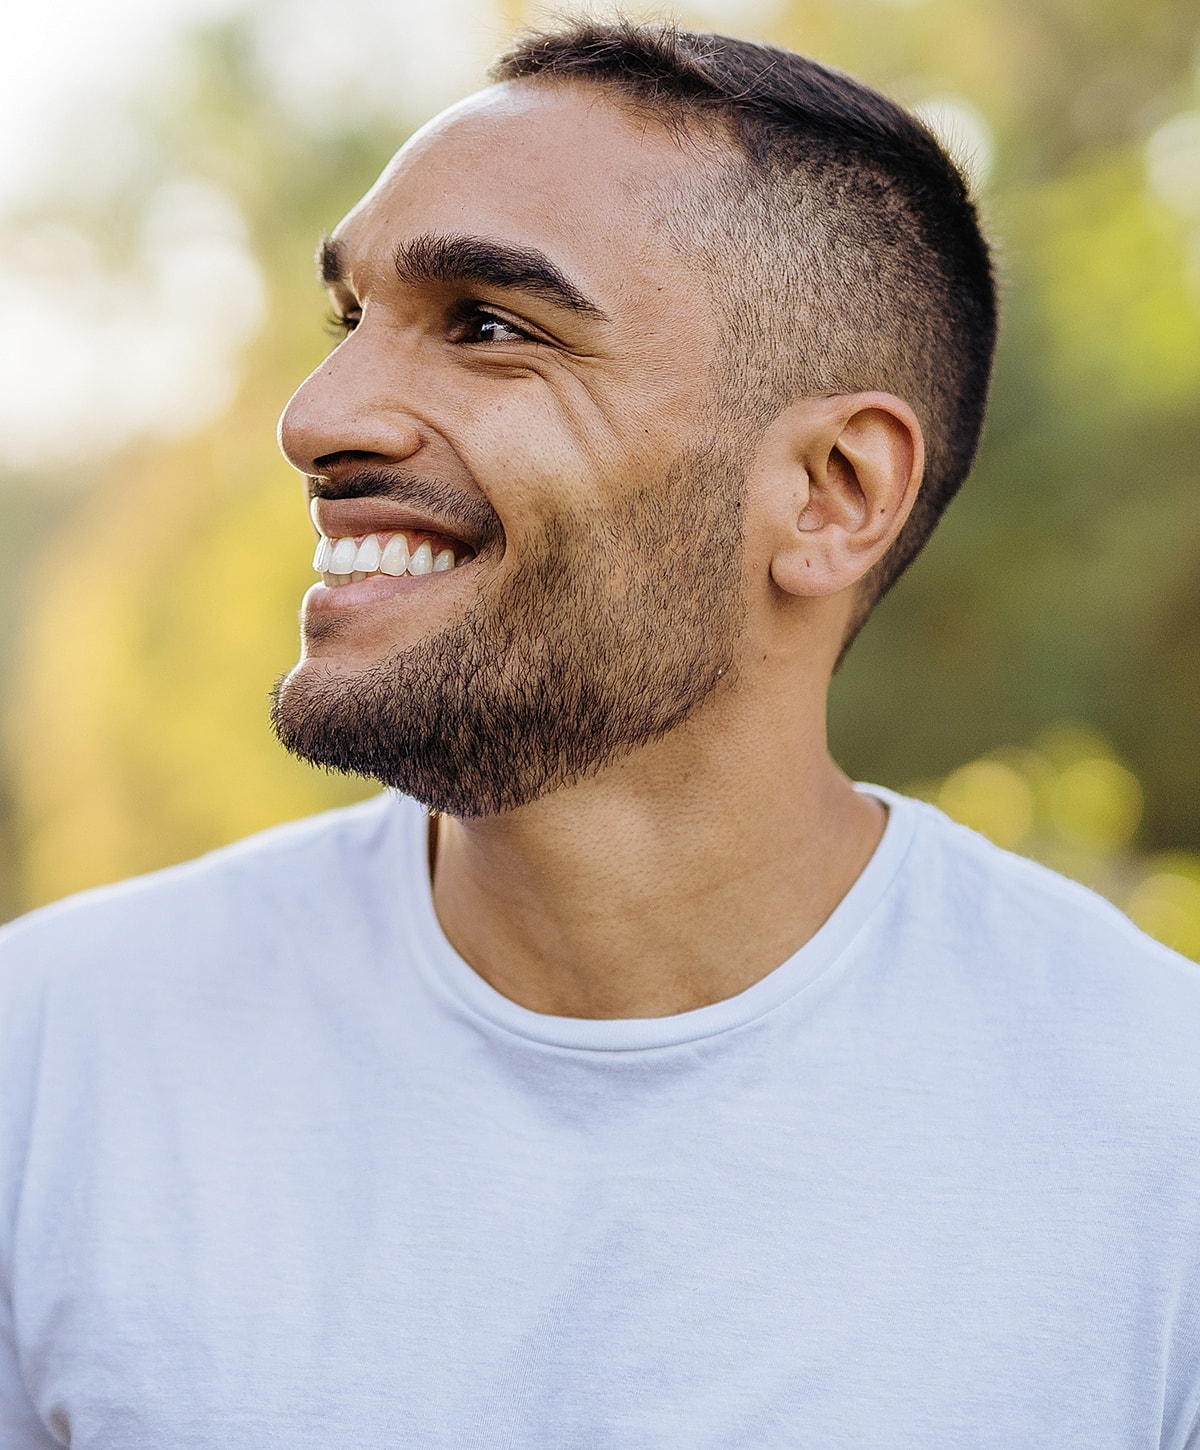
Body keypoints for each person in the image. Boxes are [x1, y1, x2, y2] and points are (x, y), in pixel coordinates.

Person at [1, 18, 1198, 1448]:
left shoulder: (1155, 1133)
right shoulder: (51, 1057)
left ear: (829, 490)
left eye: (491, 326)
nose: (317, 418)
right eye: (350, 320)